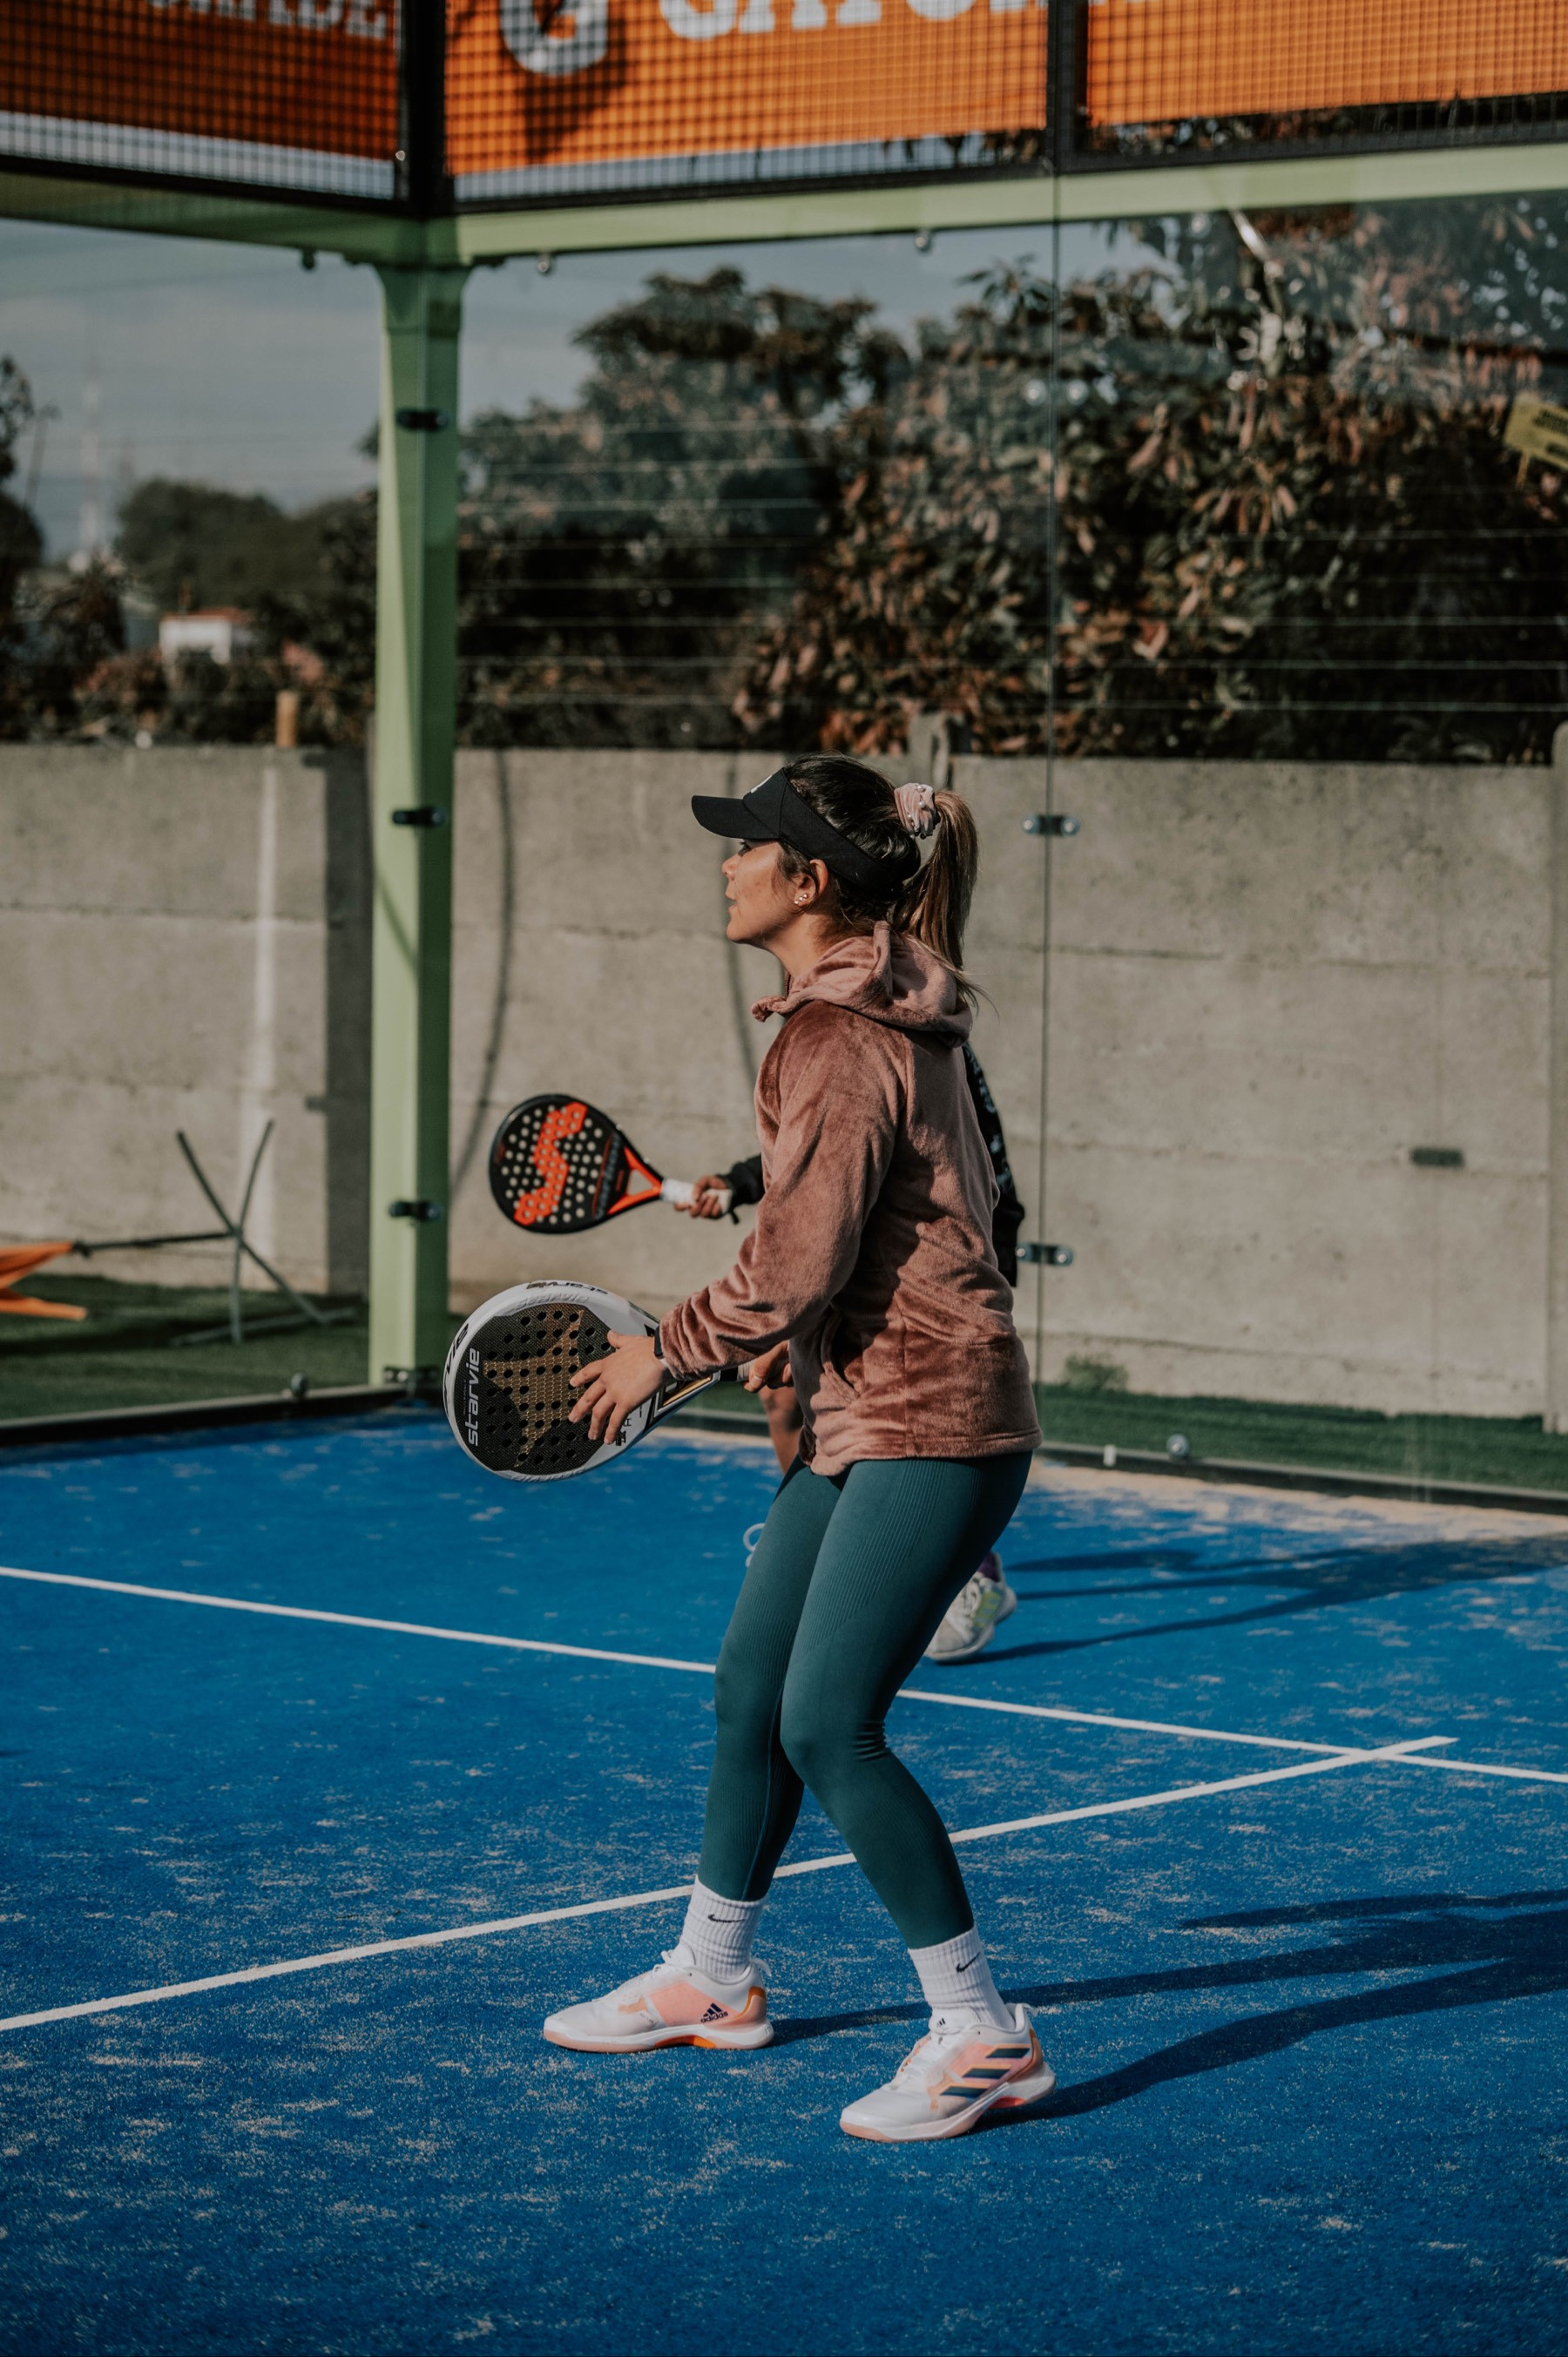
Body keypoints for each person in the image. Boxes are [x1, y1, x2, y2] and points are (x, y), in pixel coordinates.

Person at [545, 757, 1053, 2144]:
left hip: (932, 1418)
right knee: (752, 1687)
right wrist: (789, 1333)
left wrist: (664, 1349)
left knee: (830, 1722)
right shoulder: (874, 1009)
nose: (728, 862)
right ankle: (711, 1975)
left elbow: (791, 1266)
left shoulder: (836, 1033)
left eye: (750, 843)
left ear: (810, 877)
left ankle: (984, 2033)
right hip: (866, 1411)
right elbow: (844, 1237)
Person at [678, 1043, 1025, 1664]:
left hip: (949, 1256)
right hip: (860, 1247)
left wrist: (666, 1353)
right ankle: (821, 1543)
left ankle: (978, 1574)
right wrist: (738, 1183)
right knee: (787, 1399)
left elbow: (867, 1151)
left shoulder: (901, 1034)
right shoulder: (832, 1027)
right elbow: (824, 1143)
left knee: (917, 1428)